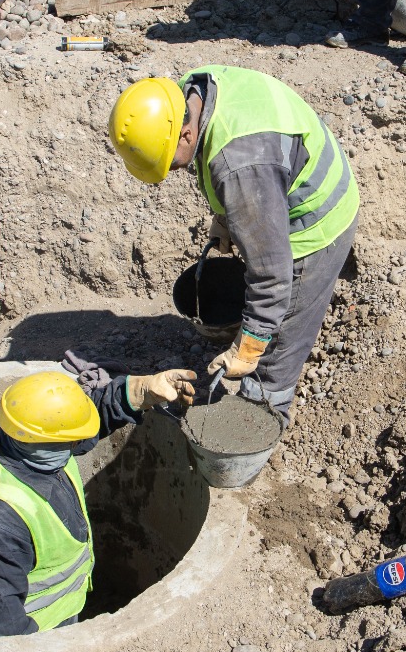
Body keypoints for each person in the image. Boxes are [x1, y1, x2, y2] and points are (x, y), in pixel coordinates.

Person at [108, 67, 359, 426]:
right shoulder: (192, 92)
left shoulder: (239, 165)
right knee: (269, 315)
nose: (177, 170)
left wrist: (251, 345)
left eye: (173, 163)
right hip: (288, 177)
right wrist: (227, 215)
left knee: (278, 346)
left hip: (316, 222)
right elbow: (250, 162)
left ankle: (258, 422)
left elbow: (272, 277)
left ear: (186, 132)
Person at [0, 367, 195, 636]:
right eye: (70, 441)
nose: (78, 444)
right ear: (43, 440)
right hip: (41, 631)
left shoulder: (21, 434)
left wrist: (141, 391)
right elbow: (4, 622)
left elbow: (80, 420)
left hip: (67, 606)